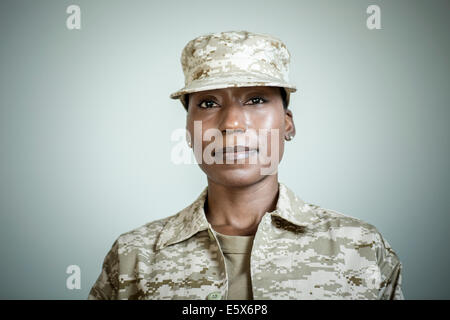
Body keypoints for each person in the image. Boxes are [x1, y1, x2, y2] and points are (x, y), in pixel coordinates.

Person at [88, 30, 404, 300]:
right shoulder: (134, 257)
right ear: (189, 132)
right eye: (208, 103)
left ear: (288, 124)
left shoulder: (360, 248)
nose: (232, 123)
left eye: (256, 100)